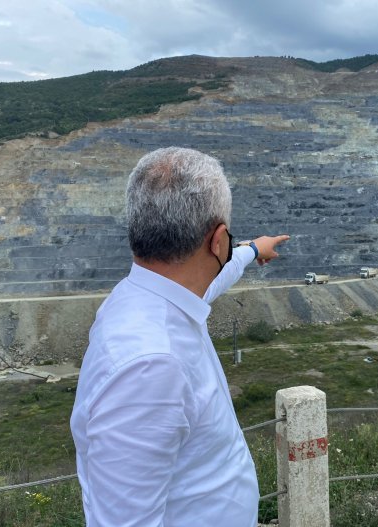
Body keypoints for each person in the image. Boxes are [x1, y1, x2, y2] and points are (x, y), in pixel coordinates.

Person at [70, 147, 289, 526]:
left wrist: (252, 250)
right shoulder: (150, 366)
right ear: (216, 240)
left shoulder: (155, 294)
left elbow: (214, 277)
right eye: (228, 239)